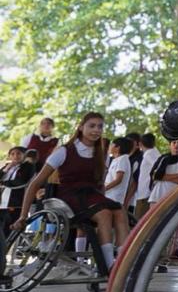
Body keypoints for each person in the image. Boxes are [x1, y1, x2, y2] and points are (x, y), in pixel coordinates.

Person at [18, 112, 128, 271]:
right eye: (92, 126)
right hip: (70, 197)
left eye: (100, 126)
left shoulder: (100, 153)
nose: (96, 130)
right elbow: (35, 183)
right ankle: (110, 265)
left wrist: (103, 198)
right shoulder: (64, 151)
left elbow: (100, 184)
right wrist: (23, 215)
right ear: (81, 127)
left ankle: (123, 259)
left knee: (119, 210)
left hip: (92, 195)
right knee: (105, 213)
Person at [148, 140, 178, 272]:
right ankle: (151, 259)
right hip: (157, 197)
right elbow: (155, 175)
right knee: (154, 229)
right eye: (173, 142)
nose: (176, 145)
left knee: (172, 232)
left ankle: (163, 260)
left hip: (175, 198)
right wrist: (175, 176)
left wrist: (165, 177)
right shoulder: (163, 159)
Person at [1, 146, 36, 233]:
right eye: (12, 154)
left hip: (16, 201)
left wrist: (4, 183)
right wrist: (6, 169)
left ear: (24, 155)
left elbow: (21, 181)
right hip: (2, 202)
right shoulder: (6, 167)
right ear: (9, 156)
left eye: (18, 153)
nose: (15, 156)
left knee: (10, 228)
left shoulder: (28, 166)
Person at [132, 133, 161, 220]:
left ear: (140, 144)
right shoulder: (153, 152)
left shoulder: (149, 154)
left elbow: (157, 167)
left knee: (139, 220)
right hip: (145, 193)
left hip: (145, 194)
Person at [104, 137, 134, 208]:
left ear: (118, 147)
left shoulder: (123, 159)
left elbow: (118, 180)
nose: (110, 146)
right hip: (109, 195)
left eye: (112, 144)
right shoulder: (117, 159)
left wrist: (104, 189)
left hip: (114, 197)